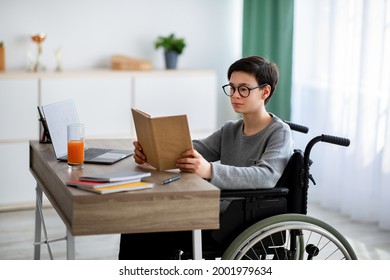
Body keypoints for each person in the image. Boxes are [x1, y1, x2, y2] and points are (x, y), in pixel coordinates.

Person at [119, 55, 293, 259]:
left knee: (150, 229)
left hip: (241, 218)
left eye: (244, 89)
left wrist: (209, 170)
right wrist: (150, 150)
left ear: (265, 91)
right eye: (232, 87)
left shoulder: (279, 133)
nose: (235, 95)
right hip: (216, 208)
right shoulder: (231, 129)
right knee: (135, 222)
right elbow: (191, 149)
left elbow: (266, 176)